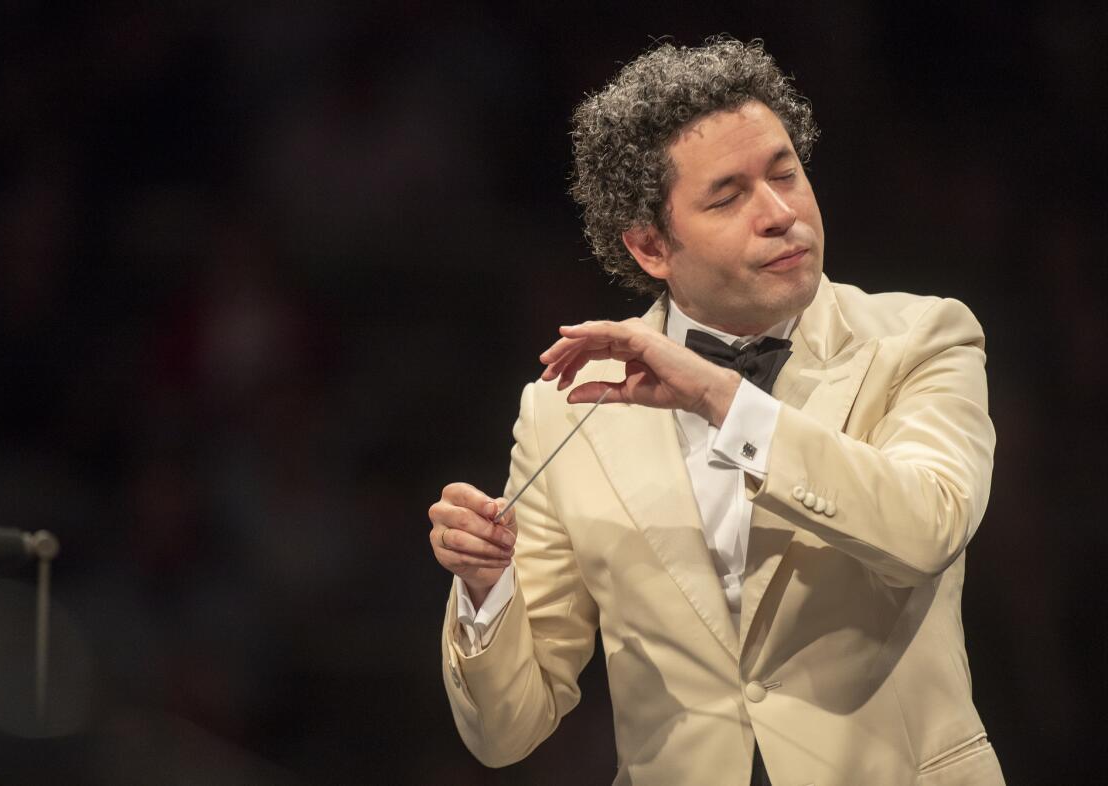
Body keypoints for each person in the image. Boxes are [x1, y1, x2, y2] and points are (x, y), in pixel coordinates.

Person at [427, 37, 1004, 786]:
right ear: (649, 247)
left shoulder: (920, 339)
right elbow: (506, 732)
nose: (778, 213)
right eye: (728, 197)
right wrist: (484, 587)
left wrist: (718, 396)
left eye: (786, 174)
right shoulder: (565, 409)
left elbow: (926, 527)